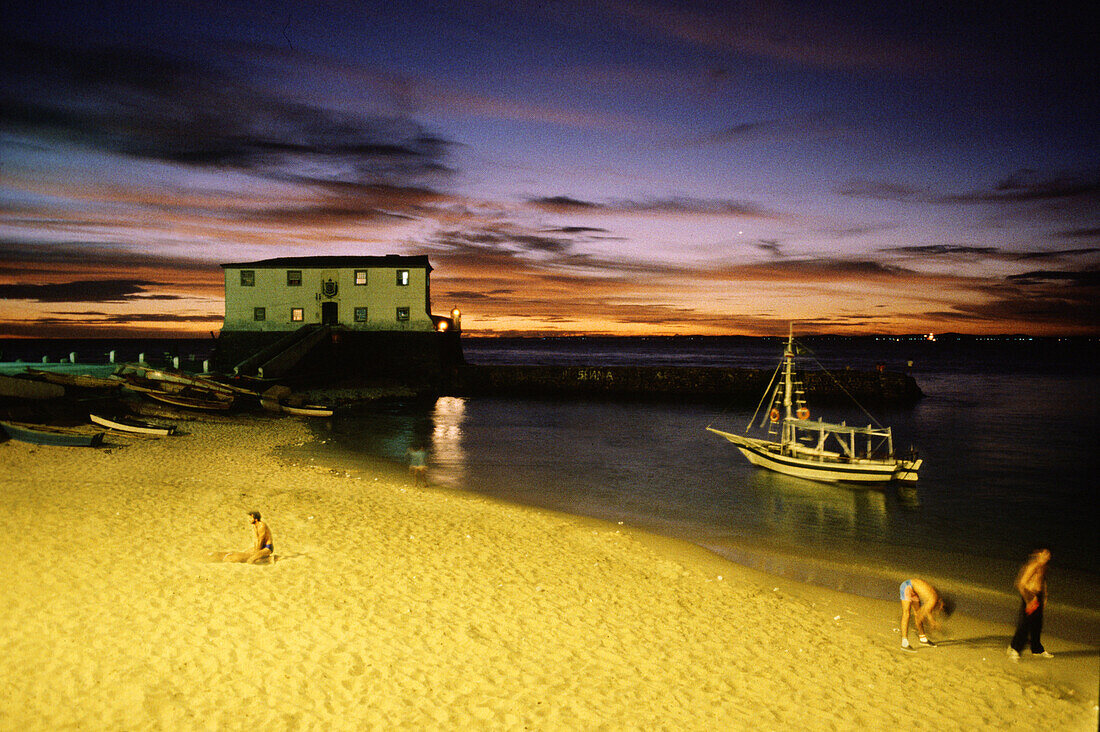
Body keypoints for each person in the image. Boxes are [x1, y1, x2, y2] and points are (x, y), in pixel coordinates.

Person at [1008, 548, 1053, 661]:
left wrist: (1045, 596)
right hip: (1029, 596)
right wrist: (1029, 601)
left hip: (1038, 597)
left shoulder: (1044, 567)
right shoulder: (1033, 566)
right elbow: (1021, 584)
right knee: (1025, 625)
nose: (1048, 557)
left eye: (1049, 555)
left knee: (1037, 624)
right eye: (1045, 554)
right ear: (1038, 555)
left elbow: (1043, 582)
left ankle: (1037, 649)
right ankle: (1015, 650)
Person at [899, 578, 954, 651]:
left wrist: (931, 621)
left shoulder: (936, 596)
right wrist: (933, 623)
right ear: (942, 604)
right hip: (907, 587)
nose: (939, 611)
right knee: (906, 614)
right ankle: (904, 643)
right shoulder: (934, 599)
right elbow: (924, 612)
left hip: (913, 590)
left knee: (917, 613)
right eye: (941, 610)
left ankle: (923, 639)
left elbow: (926, 610)